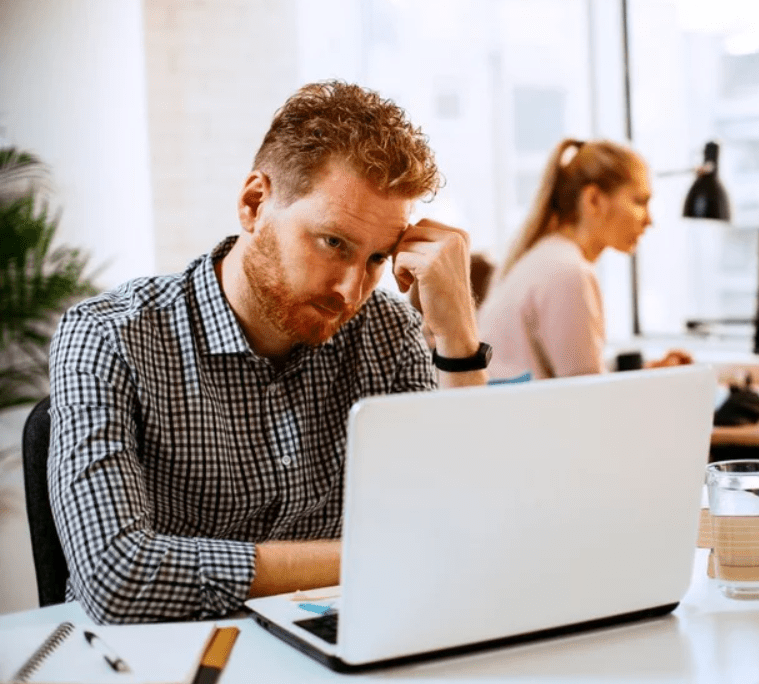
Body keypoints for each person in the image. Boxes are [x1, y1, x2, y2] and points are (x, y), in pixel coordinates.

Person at [48, 81, 490, 624]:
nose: (351, 290)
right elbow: (117, 574)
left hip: (331, 650)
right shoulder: (109, 336)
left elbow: (465, 537)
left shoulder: (388, 331)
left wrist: (457, 339)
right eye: (333, 243)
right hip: (155, 657)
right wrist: (371, 559)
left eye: (377, 258)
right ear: (255, 203)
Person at [477, 138, 691, 380]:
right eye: (639, 201)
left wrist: (649, 374)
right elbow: (588, 399)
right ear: (593, 200)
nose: (649, 220)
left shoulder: (547, 257)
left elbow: (579, 380)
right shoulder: (569, 272)